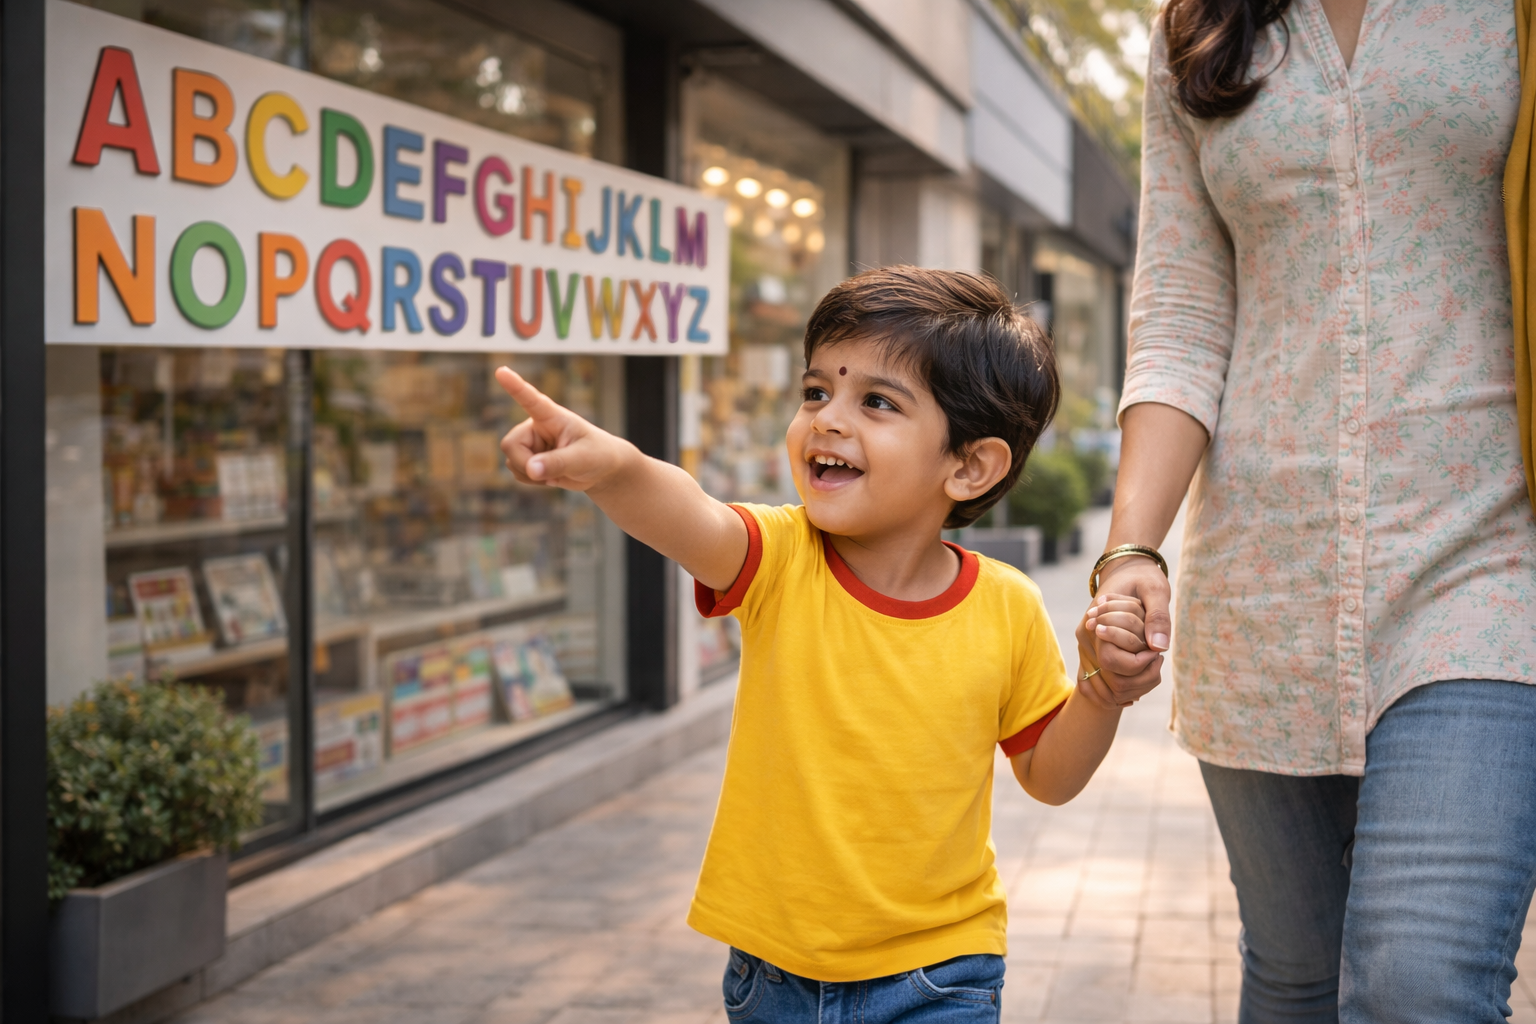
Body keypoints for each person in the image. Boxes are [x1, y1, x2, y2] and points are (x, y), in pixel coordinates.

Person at [496, 266, 1151, 1023]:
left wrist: (1101, 693)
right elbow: (687, 514)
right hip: (774, 975)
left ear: (969, 465)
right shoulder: (778, 558)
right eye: (815, 391)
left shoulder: (1008, 606)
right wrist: (616, 469)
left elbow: (1049, 776)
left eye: (877, 401)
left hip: (941, 973)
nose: (827, 420)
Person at [1083, 0, 1536, 1022]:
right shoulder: (1199, 29)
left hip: (1486, 559)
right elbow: (1183, 314)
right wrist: (1131, 550)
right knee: (1296, 978)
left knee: (1419, 982)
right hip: (1265, 581)